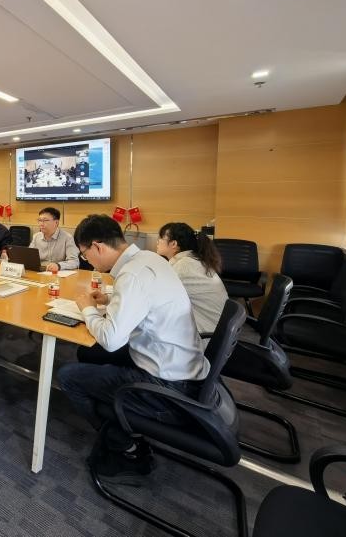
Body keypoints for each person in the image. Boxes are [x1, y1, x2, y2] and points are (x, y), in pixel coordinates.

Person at [57, 214, 209, 484]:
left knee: (68, 376)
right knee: (88, 353)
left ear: (98, 247)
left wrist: (87, 308)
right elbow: (144, 298)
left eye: (85, 254)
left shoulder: (131, 275)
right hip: (184, 367)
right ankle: (119, 419)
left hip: (167, 388)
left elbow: (111, 339)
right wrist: (111, 298)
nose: (86, 260)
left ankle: (126, 445)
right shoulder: (149, 259)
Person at [156, 222, 229, 336]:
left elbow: (157, 294)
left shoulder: (184, 265)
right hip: (218, 330)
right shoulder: (192, 260)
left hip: (208, 335)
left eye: (161, 238)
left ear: (174, 243)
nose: (158, 241)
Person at [26, 206, 79, 272]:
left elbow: (74, 261)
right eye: (39, 220)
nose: (41, 224)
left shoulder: (67, 238)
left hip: (57, 273)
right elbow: (29, 257)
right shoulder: (36, 237)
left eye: (45, 220)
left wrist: (58, 266)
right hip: (40, 272)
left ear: (56, 222)